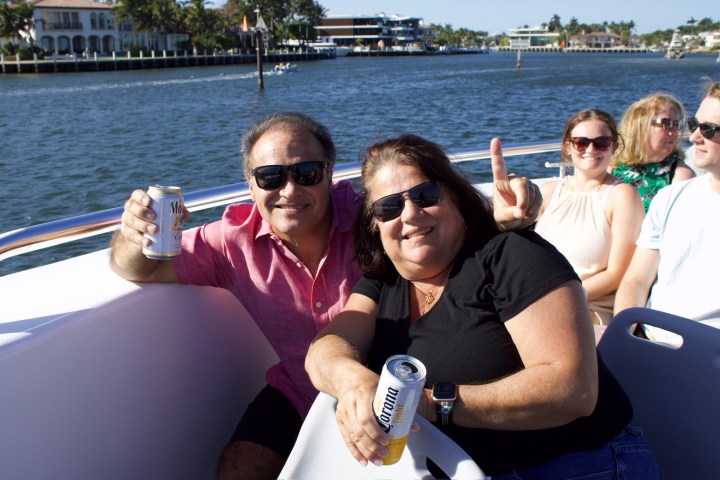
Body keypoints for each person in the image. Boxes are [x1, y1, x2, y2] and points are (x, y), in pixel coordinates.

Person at [108, 112, 542, 480]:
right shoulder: (229, 243)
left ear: (330, 175)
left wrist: (501, 216)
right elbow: (135, 267)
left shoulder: (374, 218)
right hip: (298, 387)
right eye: (270, 177)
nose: (290, 190)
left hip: (385, 396)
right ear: (250, 184)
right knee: (238, 467)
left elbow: (436, 225)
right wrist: (133, 234)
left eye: (307, 174)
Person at [305, 133, 661, 478]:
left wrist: (431, 404)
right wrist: (354, 382)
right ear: (376, 225)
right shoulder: (385, 280)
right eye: (390, 207)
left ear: (456, 199)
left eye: (426, 195)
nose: (410, 214)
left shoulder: (511, 254)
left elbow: (573, 391)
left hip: (578, 461)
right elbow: (324, 352)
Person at [615, 80, 720, 339]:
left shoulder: (677, 178)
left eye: (709, 129)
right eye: (695, 125)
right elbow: (636, 280)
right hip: (650, 340)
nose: (693, 137)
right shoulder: (670, 197)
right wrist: (622, 338)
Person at [535, 109, 645, 330]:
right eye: (581, 142)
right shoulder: (548, 192)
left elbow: (616, 274)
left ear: (614, 147)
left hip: (589, 307)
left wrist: (560, 298)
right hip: (539, 302)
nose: (591, 150)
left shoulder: (622, 196)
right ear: (568, 147)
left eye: (601, 143)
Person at [611, 93, 695, 211]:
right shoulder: (613, 167)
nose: (673, 132)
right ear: (640, 126)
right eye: (666, 124)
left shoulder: (680, 176)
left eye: (676, 125)